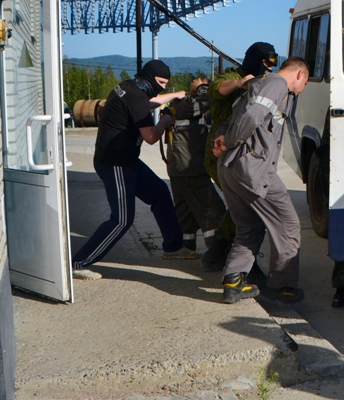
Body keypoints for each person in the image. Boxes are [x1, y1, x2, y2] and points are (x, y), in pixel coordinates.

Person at [72, 60, 200, 280]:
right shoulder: (136, 97)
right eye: (160, 82)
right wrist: (166, 120)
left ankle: (173, 247)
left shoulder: (128, 88)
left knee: (159, 192)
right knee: (122, 219)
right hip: (116, 164)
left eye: (165, 84)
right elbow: (150, 136)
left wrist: (176, 94)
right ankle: (79, 262)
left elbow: (151, 102)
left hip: (125, 160)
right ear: (150, 78)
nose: (161, 87)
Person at [212, 57, 309, 304]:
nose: (302, 90)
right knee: (288, 224)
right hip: (252, 168)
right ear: (300, 75)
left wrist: (223, 136)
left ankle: (233, 281)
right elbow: (253, 115)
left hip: (230, 168)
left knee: (249, 227)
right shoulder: (277, 84)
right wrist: (231, 141)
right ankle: (282, 287)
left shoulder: (260, 83)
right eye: (305, 83)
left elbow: (234, 114)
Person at [205, 42, 279, 283]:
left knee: (243, 208)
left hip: (243, 154)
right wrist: (241, 83)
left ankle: (219, 251)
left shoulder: (264, 81)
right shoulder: (231, 77)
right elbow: (217, 89)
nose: (265, 70)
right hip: (219, 152)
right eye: (264, 64)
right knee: (247, 209)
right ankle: (242, 264)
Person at [165, 77, 230, 271]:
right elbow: (206, 101)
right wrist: (202, 88)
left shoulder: (190, 107)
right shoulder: (185, 104)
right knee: (213, 210)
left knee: (186, 213)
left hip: (183, 168)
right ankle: (217, 256)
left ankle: (184, 249)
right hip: (189, 169)